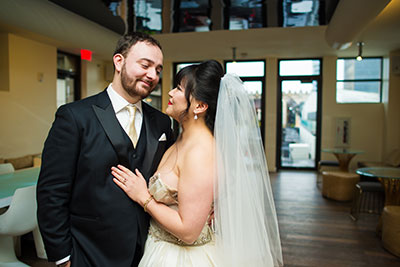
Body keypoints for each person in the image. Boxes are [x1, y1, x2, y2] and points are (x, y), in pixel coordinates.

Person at [112, 60, 283, 266]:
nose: (170, 93)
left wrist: (144, 198)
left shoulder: (201, 152)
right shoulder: (180, 139)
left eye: (178, 89)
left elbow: (189, 231)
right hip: (159, 248)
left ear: (200, 106)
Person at [36, 32, 175, 267]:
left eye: (158, 69)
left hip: (148, 251)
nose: (152, 75)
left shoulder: (162, 123)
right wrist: (64, 258)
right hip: (89, 252)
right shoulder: (74, 117)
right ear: (119, 61)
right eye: (145, 65)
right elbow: (52, 192)